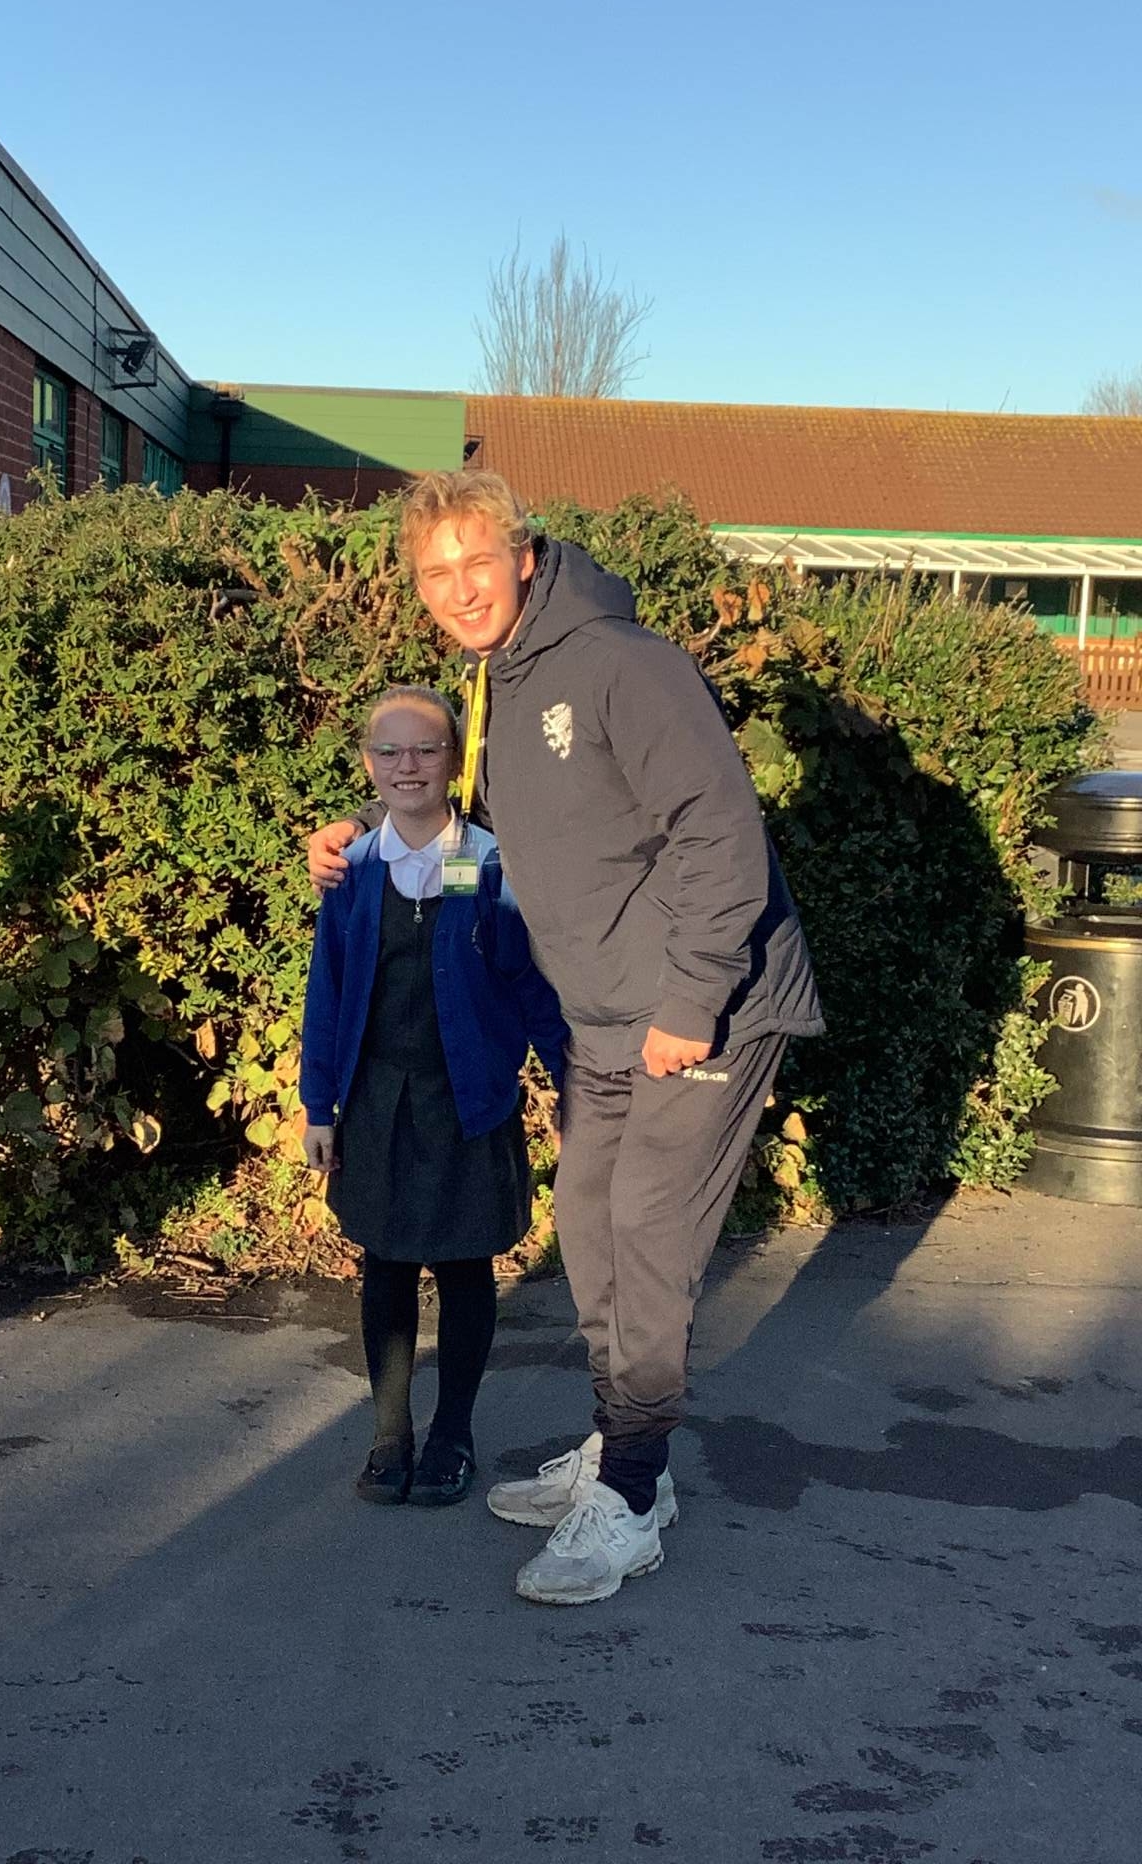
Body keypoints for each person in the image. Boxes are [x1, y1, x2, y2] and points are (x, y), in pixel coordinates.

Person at [309, 471, 823, 1604]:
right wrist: (361, 831)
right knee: (588, 1228)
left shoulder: (624, 664)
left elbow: (721, 834)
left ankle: (631, 1493)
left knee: (646, 1237)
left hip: (700, 1011)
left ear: (526, 556)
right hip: (604, 1020)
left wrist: (692, 1002)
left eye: (477, 562)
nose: (459, 589)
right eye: (435, 573)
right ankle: (621, 1447)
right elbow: (497, 832)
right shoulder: (499, 679)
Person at [301, 683, 569, 1509]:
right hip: (378, 1103)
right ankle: (391, 1435)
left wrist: (574, 1086)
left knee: (463, 1267)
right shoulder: (350, 870)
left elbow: (532, 985)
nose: (407, 765)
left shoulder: (490, 864)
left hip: (469, 1102)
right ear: (367, 763)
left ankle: (453, 1434)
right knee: (384, 1266)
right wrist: (318, 1106)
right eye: (389, 750)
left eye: (426, 749)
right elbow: (327, 991)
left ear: (455, 760)